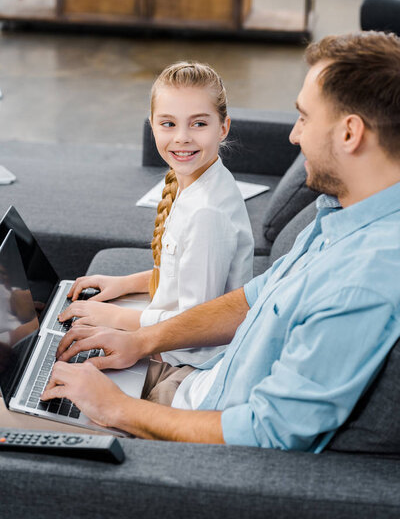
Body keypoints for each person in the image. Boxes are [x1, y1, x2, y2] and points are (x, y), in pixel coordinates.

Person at [42, 31, 400, 450]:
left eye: (304, 118)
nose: (294, 136)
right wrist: (139, 341)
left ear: (349, 133)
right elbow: (253, 297)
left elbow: (268, 431)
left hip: (192, 424)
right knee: (36, 356)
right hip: (199, 383)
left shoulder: (362, 280)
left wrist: (114, 407)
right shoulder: (340, 216)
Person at [59, 61, 254, 366]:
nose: (182, 137)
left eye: (199, 123)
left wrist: (113, 316)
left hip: (184, 361)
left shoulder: (207, 214)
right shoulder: (189, 179)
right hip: (169, 340)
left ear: (223, 127)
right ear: (152, 125)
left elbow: (194, 324)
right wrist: (124, 284)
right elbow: (184, 272)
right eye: (168, 124)